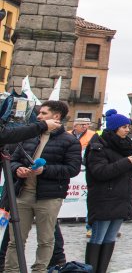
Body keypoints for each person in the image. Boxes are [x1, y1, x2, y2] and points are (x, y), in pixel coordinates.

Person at [3, 100, 81, 273]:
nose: (39, 116)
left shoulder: (69, 141)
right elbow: (13, 160)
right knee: (15, 240)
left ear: (56, 116)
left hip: (49, 197)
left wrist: (44, 170)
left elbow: (73, 169)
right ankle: (11, 271)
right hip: (23, 194)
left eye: (43, 113)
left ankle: (39, 270)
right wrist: (18, 169)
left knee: (45, 240)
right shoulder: (30, 136)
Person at [84, 109, 132, 273]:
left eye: (128, 126)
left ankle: (101, 270)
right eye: (124, 127)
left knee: (110, 238)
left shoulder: (126, 145)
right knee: (98, 237)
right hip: (104, 198)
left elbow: (130, 174)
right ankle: (91, 270)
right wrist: (127, 162)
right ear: (114, 128)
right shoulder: (98, 146)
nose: (127, 129)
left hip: (121, 197)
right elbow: (100, 172)